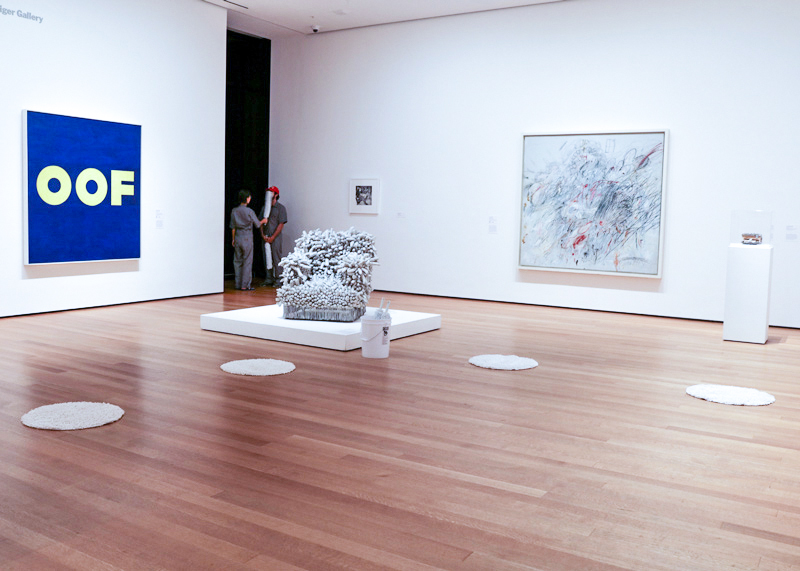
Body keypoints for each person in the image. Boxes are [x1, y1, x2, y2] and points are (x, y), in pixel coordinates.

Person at [230, 189, 267, 290]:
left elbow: (233, 227)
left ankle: (238, 284)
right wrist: (263, 221)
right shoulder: (249, 211)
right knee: (247, 262)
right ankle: (245, 285)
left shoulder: (234, 211)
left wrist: (233, 239)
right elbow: (257, 224)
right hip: (247, 239)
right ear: (247, 199)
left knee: (237, 262)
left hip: (237, 238)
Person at [261, 186, 288, 286]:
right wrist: (263, 235)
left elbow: (281, 224)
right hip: (265, 238)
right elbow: (261, 222)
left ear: (276, 195)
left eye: (271, 193)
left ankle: (278, 279)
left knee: (276, 258)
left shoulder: (281, 208)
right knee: (267, 258)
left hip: (275, 238)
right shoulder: (264, 208)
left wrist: (273, 237)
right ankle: (269, 278)